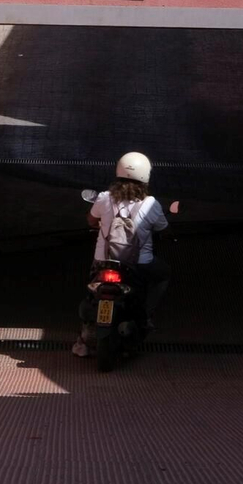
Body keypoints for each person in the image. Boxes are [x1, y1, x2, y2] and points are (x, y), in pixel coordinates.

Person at [72, 152, 179, 357]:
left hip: (103, 262)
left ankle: (85, 332)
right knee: (163, 274)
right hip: (138, 264)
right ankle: (145, 315)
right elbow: (164, 229)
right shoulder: (151, 205)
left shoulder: (104, 198)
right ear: (145, 176)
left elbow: (90, 221)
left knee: (91, 290)